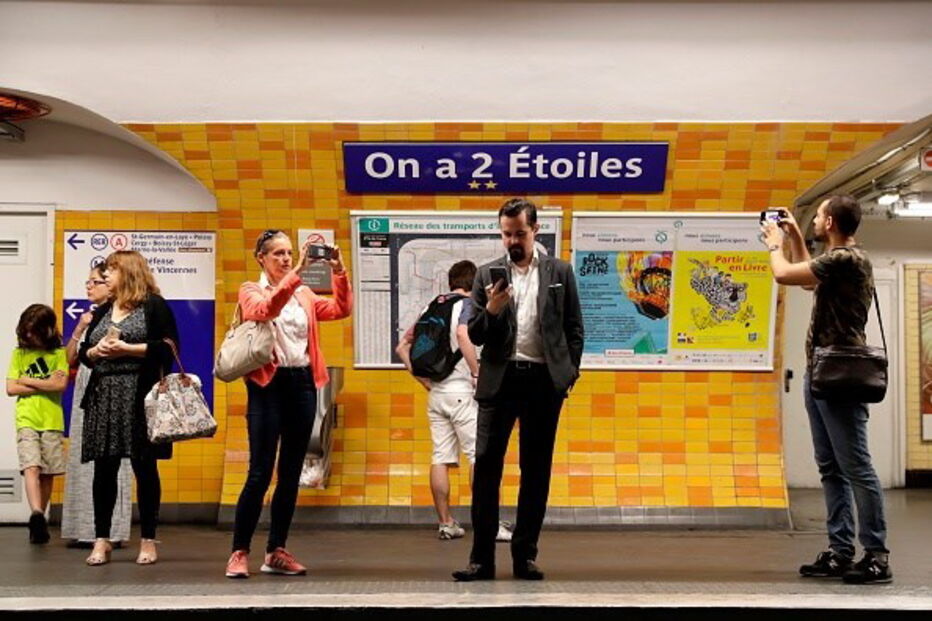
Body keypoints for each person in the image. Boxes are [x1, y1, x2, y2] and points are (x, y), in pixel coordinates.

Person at [762, 194, 892, 584]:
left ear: (831, 222)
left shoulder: (847, 260)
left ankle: (876, 554)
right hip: (820, 372)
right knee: (831, 467)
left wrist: (774, 245)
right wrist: (795, 237)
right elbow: (806, 279)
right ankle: (840, 550)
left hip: (840, 374)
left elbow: (785, 275)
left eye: (818, 216)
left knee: (856, 466)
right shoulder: (835, 262)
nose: (815, 221)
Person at [452, 198, 584, 581]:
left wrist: (567, 375)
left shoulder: (560, 271)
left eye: (520, 233)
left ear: (535, 230)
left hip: (544, 381)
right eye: (507, 233)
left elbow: (574, 328)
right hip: (500, 381)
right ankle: (481, 560)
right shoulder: (486, 274)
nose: (513, 240)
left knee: (536, 470)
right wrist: (491, 309)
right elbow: (473, 334)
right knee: (487, 469)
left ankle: (525, 556)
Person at [225, 230, 352, 579]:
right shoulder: (251, 290)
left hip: (302, 384)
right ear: (261, 258)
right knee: (259, 471)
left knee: (291, 472)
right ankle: (239, 551)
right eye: (278, 253)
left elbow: (341, 308)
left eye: (289, 253)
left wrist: (340, 272)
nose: (284, 258)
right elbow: (266, 309)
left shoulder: (305, 294)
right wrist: (297, 271)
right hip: (268, 384)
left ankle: (275, 550)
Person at [79, 251, 179, 566]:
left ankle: (148, 539)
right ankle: (101, 539)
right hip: (104, 395)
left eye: (111, 270)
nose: (105, 275)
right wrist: (95, 351)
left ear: (129, 271)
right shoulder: (104, 309)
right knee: (104, 469)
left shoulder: (154, 305)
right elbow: (83, 353)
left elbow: (168, 348)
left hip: (140, 395)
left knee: (144, 468)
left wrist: (128, 349)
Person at [396, 260, 481, 540]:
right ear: (473, 283)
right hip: (462, 393)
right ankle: (485, 524)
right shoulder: (467, 306)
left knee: (440, 458)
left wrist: (424, 382)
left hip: (437, 394)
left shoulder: (430, 308)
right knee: (476, 456)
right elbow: (462, 334)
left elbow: (402, 347)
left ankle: (445, 523)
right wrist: (476, 373)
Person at [61, 266, 132, 546]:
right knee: (83, 454)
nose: (89, 286)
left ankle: (111, 530)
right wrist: (79, 328)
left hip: (111, 387)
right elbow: (68, 360)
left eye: (96, 281)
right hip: (85, 388)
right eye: (87, 281)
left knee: (112, 459)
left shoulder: (123, 315)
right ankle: (82, 527)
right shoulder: (90, 317)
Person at [5, 304, 69, 544]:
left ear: (46, 330)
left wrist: (28, 379)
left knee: (48, 472)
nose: (28, 335)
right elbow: (11, 388)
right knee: (31, 467)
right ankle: (37, 515)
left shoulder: (58, 354)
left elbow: (59, 386)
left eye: (33, 331)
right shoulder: (19, 354)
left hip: (51, 419)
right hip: (27, 419)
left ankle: (38, 522)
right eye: (26, 330)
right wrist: (46, 382)